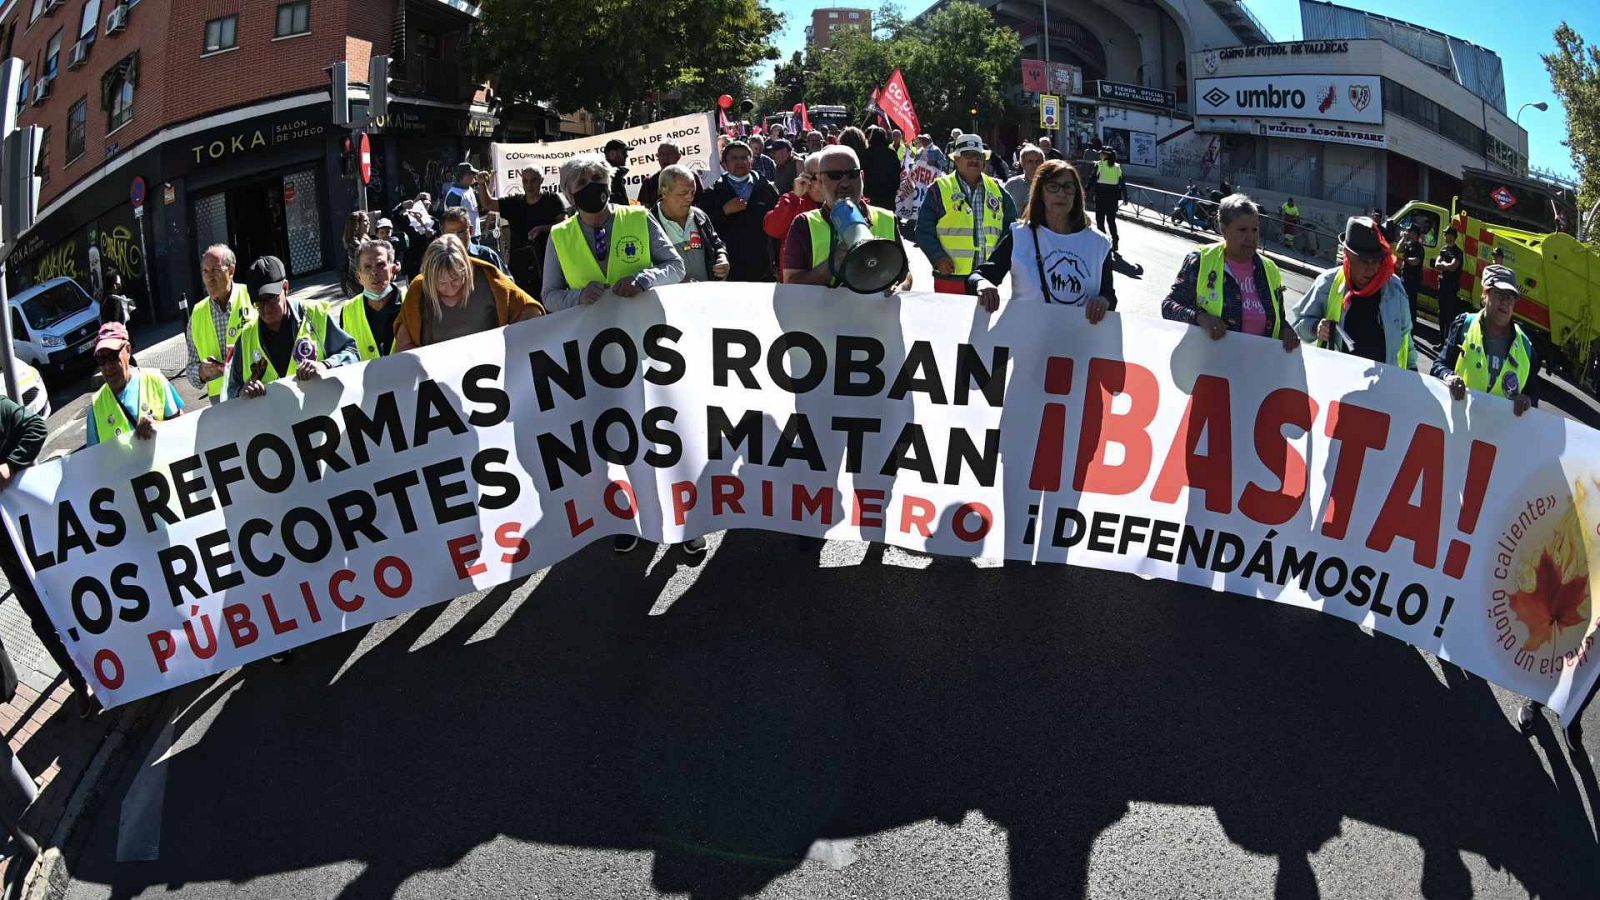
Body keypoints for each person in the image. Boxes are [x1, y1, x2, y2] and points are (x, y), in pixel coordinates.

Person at [0, 397, 100, 716]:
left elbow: (35, 426)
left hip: (31, 528)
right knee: (40, 619)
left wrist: (9, 464)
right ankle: (77, 679)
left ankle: (108, 663)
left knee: (72, 597)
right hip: (5, 550)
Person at [542, 154, 685, 313]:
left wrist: (643, 280)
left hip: (643, 323)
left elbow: (676, 266)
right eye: (582, 183)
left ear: (608, 183)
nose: (592, 185)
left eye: (597, 177)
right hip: (590, 332)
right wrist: (579, 297)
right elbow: (549, 296)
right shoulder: (559, 235)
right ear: (569, 195)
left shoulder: (639, 217)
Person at [971, 160, 1113, 319]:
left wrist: (1104, 301)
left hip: (1079, 339)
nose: (1061, 193)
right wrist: (983, 284)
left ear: (1077, 193)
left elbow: (1109, 295)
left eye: (1068, 187)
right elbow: (980, 275)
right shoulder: (1020, 236)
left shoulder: (1099, 243)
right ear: (1040, 193)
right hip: (1026, 337)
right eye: (1053, 187)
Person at [1162, 194, 1300, 353]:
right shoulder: (1200, 261)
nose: (1251, 237)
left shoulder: (1270, 269)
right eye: (1242, 230)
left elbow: (1279, 319)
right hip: (1210, 366)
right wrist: (1200, 317)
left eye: (1255, 229)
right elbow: (1169, 306)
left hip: (1259, 369)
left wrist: (1286, 331)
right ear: (1224, 230)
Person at [781, 144, 912, 296]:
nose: (844, 183)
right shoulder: (804, 224)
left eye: (852, 174)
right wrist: (832, 266)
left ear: (862, 177)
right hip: (822, 318)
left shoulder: (886, 218)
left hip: (875, 317)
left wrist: (901, 288)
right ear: (820, 182)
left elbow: (905, 273)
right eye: (834, 175)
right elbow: (790, 284)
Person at [1290, 217, 1416, 370]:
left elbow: (1406, 339)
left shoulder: (1394, 288)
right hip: (1340, 382)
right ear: (1347, 255)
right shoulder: (1327, 283)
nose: (1371, 269)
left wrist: (1412, 376)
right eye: (1364, 261)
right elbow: (1298, 324)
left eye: (1376, 260)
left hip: (1383, 385)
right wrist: (1316, 327)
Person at [228, 256, 360, 400]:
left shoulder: (316, 314)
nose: (266, 309)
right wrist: (242, 392)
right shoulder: (246, 337)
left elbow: (352, 353)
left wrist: (325, 365)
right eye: (258, 303)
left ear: (285, 288)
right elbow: (232, 390)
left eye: (271, 298)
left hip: (320, 412)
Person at [397, 236, 545, 350]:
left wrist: (507, 341)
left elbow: (532, 312)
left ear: (467, 269)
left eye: (456, 279)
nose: (450, 288)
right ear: (428, 278)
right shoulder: (417, 290)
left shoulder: (488, 278)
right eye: (441, 283)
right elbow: (404, 347)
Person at [915, 133, 1017, 294]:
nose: (974, 160)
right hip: (950, 277)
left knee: (982, 319)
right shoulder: (939, 188)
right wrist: (937, 257)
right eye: (967, 155)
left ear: (984, 160)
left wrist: (998, 265)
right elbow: (923, 230)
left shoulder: (998, 190)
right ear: (956, 159)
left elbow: (1011, 231)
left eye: (978, 156)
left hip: (986, 280)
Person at [1435, 263, 1539, 414]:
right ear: (1485, 293)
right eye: (1499, 294)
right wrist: (1449, 377)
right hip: (1460, 425)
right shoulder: (1464, 325)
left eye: (1510, 298)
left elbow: (1533, 396)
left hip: (1497, 433)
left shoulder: (1526, 347)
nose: (1505, 302)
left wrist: (1526, 400)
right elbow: (1439, 365)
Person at [86, 322, 183, 446]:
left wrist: (159, 426)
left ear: (128, 350)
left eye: (113, 356)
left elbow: (182, 424)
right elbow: (93, 459)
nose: (108, 366)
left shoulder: (155, 380)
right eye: (101, 359)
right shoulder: (96, 407)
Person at [476, 166, 567, 294]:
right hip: (521, 265)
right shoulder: (515, 203)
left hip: (548, 261)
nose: (529, 185)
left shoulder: (552, 200)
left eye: (533, 180)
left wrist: (543, 229)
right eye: (525, 181)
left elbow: (563, 223)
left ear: (541, 180)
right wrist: (482, 184)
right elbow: (488, 204)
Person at [697, 140, 779, 282]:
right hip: (729, 270)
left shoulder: (766, 189)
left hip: (762, 269)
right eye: (734, 158)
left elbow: (779, 227)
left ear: (751, 161)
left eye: (744, 157)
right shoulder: (712, 192)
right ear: (724, 164)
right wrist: (724, 211)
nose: (740, 162)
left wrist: (778, 261)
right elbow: (703, 230)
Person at [185, 244, 254, 404]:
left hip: (256, 387)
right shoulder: (197, 314)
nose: (209, 277)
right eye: (205, 271)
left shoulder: (251, 295)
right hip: (221, 400)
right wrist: (202, 371)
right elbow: (191, 369)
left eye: (215, 270)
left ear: (231, 271)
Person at [651, 164, 729, 283]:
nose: (689, 198)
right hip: (669, 299)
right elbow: (644, 266)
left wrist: (722, 258)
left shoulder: (700, 216)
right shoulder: (649, 224)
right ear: (664, 191)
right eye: (683, 193)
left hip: (707, 295)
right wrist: (675, 281)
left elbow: (717, 244)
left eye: (692, 192)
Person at [338, 239, 405, 360]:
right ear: (359, 277)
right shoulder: (348, 310)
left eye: (380, 265)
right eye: (367, 267)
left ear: (392, 269)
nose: (374, 272)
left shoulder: (411, 301)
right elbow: (343, 352)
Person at [765, 153, 823, 283]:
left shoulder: (844, 202)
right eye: (813, 177)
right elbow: (772, 229)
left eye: (825, 177)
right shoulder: (793, 200)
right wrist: (794, 197)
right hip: (797, 285)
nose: (819, 185)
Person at [440, 207, 505, 270]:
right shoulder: (439, 261)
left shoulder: (487, 256)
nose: (456, 238)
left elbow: (506, 280)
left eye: (461, 232)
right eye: (451, 234)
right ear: (443, 234)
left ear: (470, 230)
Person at [1092, 149, 1126, 254]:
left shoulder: (1099, 165)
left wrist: (1086, 189)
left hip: (1101, 196)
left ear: (1105, 156)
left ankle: (1103, 242)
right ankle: (1115, 241)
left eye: (1101, 153)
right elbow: (1122, 182)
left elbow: (1092, 178)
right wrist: (1125, 196)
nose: (1099, 155)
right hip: (1113, 197)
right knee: (1111, 221)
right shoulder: (1117, 166)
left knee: (1100, 220)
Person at [862, 125, 902, 209]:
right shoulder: (891, 153)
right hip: (889, 191)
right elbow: (898, 170)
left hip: (873, 191)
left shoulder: (867, 153)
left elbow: (863, 171)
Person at [1433, 226, 1465, 330]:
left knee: (1449, 315)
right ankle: (1441, 341)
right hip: (1442, 286)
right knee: (1441, 313)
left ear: (1452, 236)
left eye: (1447, 234)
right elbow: (1437, 265)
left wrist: (1443, 264)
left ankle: (1447, 342)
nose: (1445, 236)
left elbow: (1453, 267)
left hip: (1451, 288)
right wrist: (1445, 264)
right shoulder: (1443, 250)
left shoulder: (1458, 252)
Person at [637, 142, 683, 210]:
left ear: (678, 156)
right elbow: (646, 210)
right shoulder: (649, 182)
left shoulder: (691, 178)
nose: (665, 158)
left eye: (669, 154)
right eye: (661, 155)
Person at [443, 162, 483, 238]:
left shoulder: (470, 189)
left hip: (475, 234)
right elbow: (453, 220)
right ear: (462, 175)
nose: (473, 177)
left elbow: (483, 206)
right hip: (463, 238)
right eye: (470, 174)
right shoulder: (454, 194)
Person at [1004, 144, 1044, 214]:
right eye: (1030, 161)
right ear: (1022, 163)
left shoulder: (1050, 185)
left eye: (1037, 161)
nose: (1034, 165)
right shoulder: (1011, 185)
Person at [1397, 221, 1425, 323]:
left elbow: (1416, 261)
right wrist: (1403, 239)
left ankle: (1411, 325)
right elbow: (1398, 249)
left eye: (1410, 231)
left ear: (1415, 234)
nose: (1408, 233)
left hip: (1413, 280)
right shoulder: (1408, 244)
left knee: (1411, 304)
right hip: (1405, 277)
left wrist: (1406, 258)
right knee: (1402, 301)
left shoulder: (1419, 248)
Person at [341, 210, 371, 297]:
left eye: (368, 220)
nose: (368, 223)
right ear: (357, 224)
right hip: (355, 286)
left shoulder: (366, 239)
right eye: (365, 221)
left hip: (367, 284)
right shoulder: (354, 244)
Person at [603, 139, 632, 206]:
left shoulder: (615, 174)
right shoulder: (607, 176)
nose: (626, 155)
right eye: (623, 152)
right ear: (612, 154)